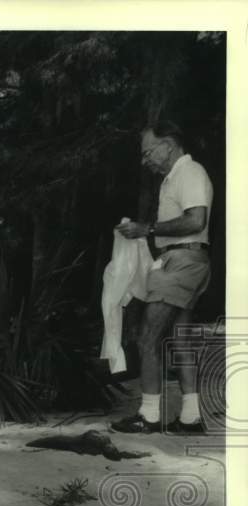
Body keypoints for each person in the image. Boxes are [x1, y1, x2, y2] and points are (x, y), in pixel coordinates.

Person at [111, 121, 213, 434]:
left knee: (148, 338)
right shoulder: (174, 178)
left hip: (182, 261)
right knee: (180, 341)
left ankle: (149, 416)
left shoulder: (190, 172)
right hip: (185, 259)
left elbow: (196, 219)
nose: (146, 160)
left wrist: (148, 229)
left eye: (148, 152)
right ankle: (191, 418)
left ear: (168, 144)